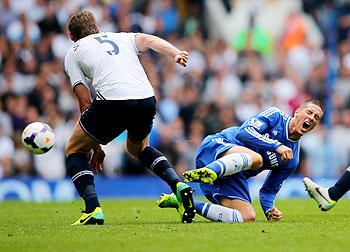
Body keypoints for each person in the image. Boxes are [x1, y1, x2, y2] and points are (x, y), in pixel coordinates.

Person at [64, 10, 195, 225]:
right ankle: (177, 185)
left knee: (74, 149)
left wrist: (94, 146)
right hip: (146, 98)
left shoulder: (74, 51)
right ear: (96, 27)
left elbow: (85, 102)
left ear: (71, 36)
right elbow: (150, 40)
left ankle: (92, 209)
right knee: (139, 148)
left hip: (114, 101)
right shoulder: (121, 37)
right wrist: (175, 53)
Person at [158, 100, 324, 222]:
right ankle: (210, 171)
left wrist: (269, 210)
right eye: (309, 112)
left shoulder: (292, 159)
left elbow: (268, 191)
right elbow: (243, 133)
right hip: (218, 147)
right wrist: (276, 146)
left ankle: (186, 202)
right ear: (297, 112)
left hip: (234, 175)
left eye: (316, 117)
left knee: (247, 217)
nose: (312, 118)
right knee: (257, 159)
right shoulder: (275, 116)